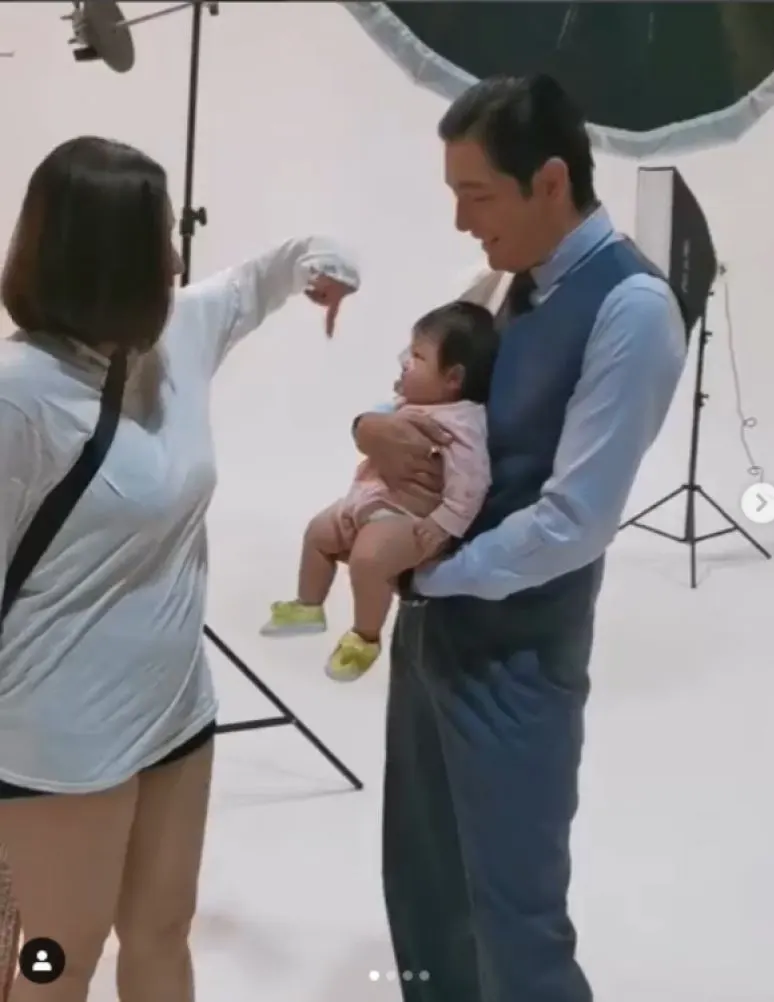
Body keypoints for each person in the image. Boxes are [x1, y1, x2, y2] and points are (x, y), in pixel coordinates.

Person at [352, 75, 688, 1001]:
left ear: (550, 181)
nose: (462, 221)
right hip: (432, 640)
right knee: (423, 894)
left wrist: (431, 573)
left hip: (516, 664)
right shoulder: (503, 282)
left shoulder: (631, 309)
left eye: (477, 195)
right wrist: (369, 425)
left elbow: (573, 521)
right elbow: (422, 395)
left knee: (516, 927)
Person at [0, 135, 358, 1002]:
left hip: (177, 710)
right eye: (157, 240)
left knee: (163, 931)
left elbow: (259, 278)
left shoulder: (175, 332)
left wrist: (324, 262)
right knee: (53, 962)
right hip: (62, 741)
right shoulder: (19, 393)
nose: (174, 258)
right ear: (103, 260)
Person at [260, 300, 497, 681]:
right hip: (367, 502)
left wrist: (445, 523)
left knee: (368, 560)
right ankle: (309, 604)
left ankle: (365, 637)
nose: (405, 362)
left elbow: (473, 480)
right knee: (318, 532)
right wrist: (370, 422)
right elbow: (371, 420)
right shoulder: (411, 401)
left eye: (418, 357)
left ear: (453, 378)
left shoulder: (461, 423)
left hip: (407, 517)